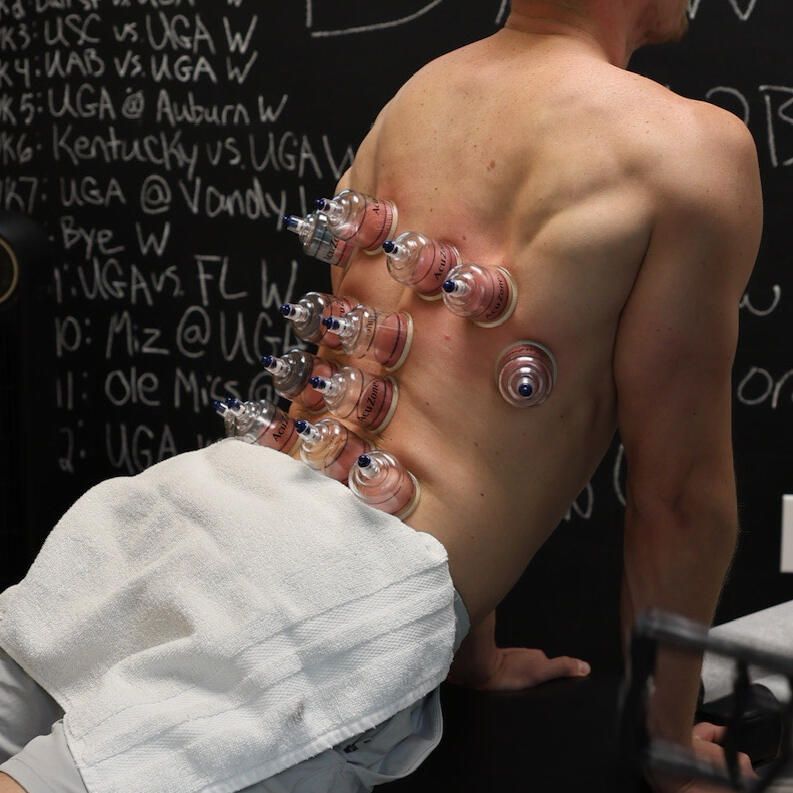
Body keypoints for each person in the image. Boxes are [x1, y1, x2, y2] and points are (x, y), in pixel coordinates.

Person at [0, 1, 763, 792]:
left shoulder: (420, 95)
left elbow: (396, 385)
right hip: (314, 616)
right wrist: (665, 736)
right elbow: (678, 496)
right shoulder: (686, 150)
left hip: (175, 521)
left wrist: (468, 652)